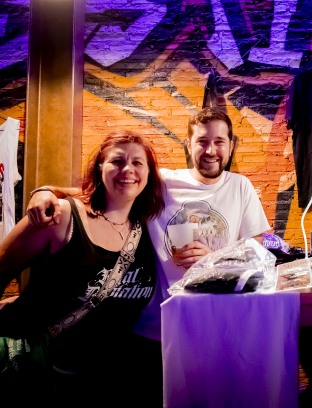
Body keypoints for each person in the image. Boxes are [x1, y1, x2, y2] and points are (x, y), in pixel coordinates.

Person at [26, 107, 272, 406]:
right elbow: (104, 189)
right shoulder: (163, 182)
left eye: (219, 141)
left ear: (231, 145)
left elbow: (257, 250)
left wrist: (214, 259)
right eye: (202, 141)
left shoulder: (240, 186)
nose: (211, 150)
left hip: (213, 327)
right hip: (153, 330)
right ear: (188, 144)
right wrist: (45, 191)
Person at [0, 130, 165, 406]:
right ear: (100, 166)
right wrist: (45, 192)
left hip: (100, 382)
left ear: (149, 174)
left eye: (137, 162)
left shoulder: (148, 228)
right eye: (117, 161)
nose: (128, 169)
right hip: (37, 372)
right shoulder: (60, 217)